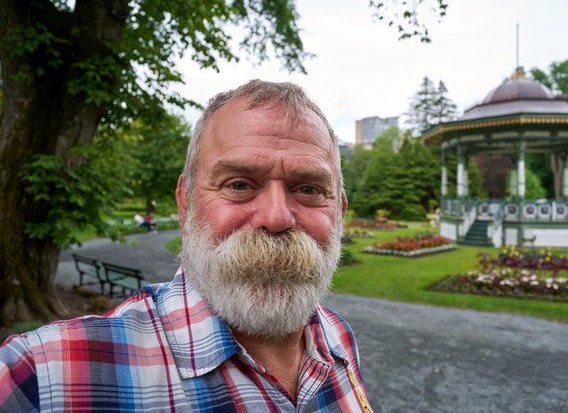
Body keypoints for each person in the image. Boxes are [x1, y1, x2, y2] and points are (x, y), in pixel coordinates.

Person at [0, 80, 372, 412]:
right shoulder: (44, 378)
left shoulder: (336, 336)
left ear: (338, 212)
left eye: (308, 189)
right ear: (186, 203)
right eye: (239, 184)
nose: (276, 218)